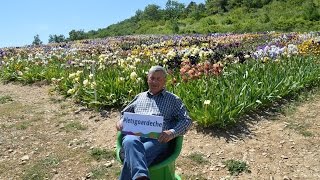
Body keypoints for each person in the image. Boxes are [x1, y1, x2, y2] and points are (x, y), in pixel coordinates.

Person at [116, 65, 193, 180]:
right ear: (147, 79)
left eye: (159, 79)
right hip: (135, 135)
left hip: (157, 139)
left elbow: (187, 120)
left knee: (137, 154)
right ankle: (141, 177)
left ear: (164, 81)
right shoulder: (139, 97)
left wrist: (172, 133)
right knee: (129, 140)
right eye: (152, 78)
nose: (155, 82)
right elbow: (124, 114)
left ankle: (139, 176)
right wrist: (120, 122)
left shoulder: (173, 100)